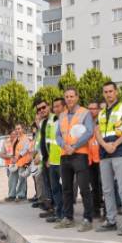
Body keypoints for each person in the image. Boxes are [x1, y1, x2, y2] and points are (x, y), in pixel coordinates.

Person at [54, 89, 97, 231]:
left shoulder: (85, 113)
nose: (69, 99)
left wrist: (74, 146)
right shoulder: (62, 115)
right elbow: (58, 135)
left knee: (84, 188)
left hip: (80, 154)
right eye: (66, 97)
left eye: (72, 96)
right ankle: (68, 218)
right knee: (66, 188)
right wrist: (64, 145)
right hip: (65, 155)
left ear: (77, 97)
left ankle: (87, 219)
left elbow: (90, 132)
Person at [96, 82, 122, 235]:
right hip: (105, 153)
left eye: (111, 91)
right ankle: (111, 220)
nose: (108, 94)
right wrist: (105, 145)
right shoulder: (101, 112)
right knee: (107, 189)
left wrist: (115, 144)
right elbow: (97, 132)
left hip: (120, 152)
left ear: (116, 92)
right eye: (105, 92)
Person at [42, 98, 66, 223]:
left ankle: (65, 214)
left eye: (58, 106)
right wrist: (48, 158)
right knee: (55, 189)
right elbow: (49, 141)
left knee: (65, 189)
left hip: (63, 161)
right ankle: (58, 213)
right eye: (54, 107)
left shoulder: (67, 120)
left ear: (64, 107)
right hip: (53, 161)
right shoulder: (52, 121)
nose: (56, 109)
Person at [1, 124, 34, 202]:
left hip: (22, 162)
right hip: (15, 162)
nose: (17, 130)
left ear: (22, 129)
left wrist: (17, 157)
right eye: (16, 129)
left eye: (19, 129)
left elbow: (25, 150)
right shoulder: (16, 139)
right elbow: (13, 149)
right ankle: (11, 195)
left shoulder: (26, 139)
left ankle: (21, 195)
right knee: (12, 178)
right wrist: (12, 157)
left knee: (22, 179)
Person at [30, 102, 51, 210]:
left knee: (46, 182)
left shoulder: (49, 123)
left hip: (47, 158)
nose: (41, 110)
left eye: (43, 107)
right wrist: (34, 153)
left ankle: (46, 202)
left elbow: (49, 142)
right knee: (41, 181)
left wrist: (41, 155)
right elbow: (38, 142)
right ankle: (43, 200)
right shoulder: (39, 129)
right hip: (40, 158)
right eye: (39, 109)